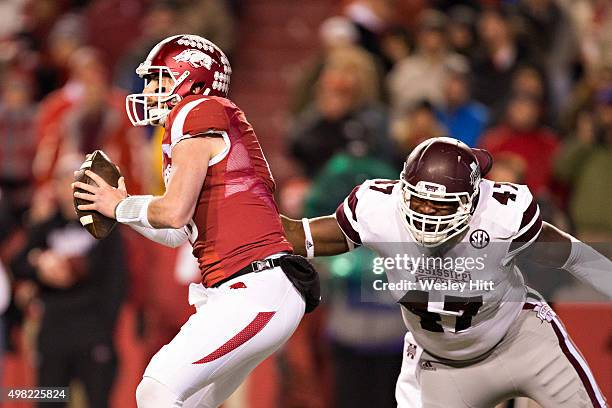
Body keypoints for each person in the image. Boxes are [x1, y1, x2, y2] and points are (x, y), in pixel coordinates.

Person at [72, 34, 314, 407]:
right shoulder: (198, 128)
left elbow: (173, 211)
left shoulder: (195, 111)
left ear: (191, 77)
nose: (149, 88)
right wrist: (122, 208)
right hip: (250, 289)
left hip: (255, 288)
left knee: (157, 389)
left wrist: (121, 205)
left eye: (159, 79)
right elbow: (176, 231)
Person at [281, 137, 610, 407]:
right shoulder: (378, 209)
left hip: (521, 341)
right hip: (442, 367)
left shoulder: (499, 216)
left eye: (441, 205)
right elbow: (304, 236)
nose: (427, 214)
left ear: (472, 199)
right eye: (419, 201)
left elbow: (573, 255)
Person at [10, 154, 127, 408]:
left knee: (97, 402)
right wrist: (39, 264)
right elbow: (18, 263)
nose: (72, 187)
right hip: (54, 335)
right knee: (50, 401)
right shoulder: (45, 226)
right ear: (56, 185)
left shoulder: (105, 227)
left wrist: (104, 331)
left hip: (92, 333)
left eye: (80, 181)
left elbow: (116, 279)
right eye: (66, 180)